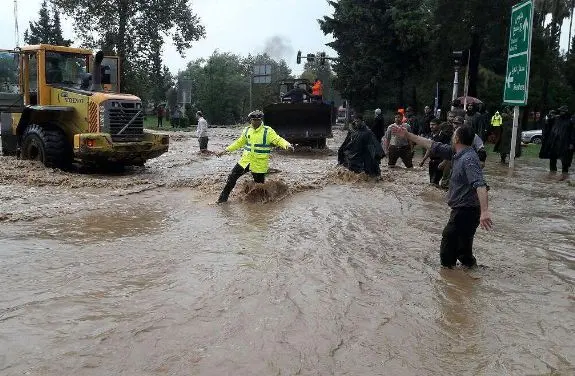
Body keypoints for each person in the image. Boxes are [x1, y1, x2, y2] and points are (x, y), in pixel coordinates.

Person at [392, 124, 493, 268]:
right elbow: (432, 145)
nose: (452, 136)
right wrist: (408, 135)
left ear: (457, 138)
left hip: (466, 211)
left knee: (448, 244)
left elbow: (480, 185)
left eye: (454, 134)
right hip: (464, 210)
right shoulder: (456, 153)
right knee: (463, 250)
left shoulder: (469, 159)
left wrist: (484, 212)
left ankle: (448, 278)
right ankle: (469, 278)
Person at [216, 110, 294, 203]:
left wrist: (287, 145)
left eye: (258, 120)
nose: (256, 122)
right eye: (254, 120)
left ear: (261, 120)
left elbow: (278, 139)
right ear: (251, 120)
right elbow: (238, 142)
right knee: (232, 177)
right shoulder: (247, 130)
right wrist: (226, 150)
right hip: (245, 161)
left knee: (260, 187)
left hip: (259, 164)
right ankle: (222, 200)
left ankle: (264, 203)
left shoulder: (267, 131)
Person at [539, 105, 575, 180]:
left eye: (563, 111)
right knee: (552, 157)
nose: (561, 113)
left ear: (566, 112)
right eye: (560, 111)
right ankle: (552, 173)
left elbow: (573, 132)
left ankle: (564, 174)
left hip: (565, 143)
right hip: (554, 142)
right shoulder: (556, 118)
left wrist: (572, 143)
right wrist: (548, 116)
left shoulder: (570, 121)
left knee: (565, 160)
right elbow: (547, 123)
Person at [420, 118, 451, 186]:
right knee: (432, 182)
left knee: (434, 183)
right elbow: (429, 149)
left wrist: (444, 162)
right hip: (432, 162)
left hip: (440, 161)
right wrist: (423, 160)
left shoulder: (445, 136)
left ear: (439, 125)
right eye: (430, 125)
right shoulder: (430, 135)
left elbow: (449, 151)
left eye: (433, 125)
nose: (431, 126)